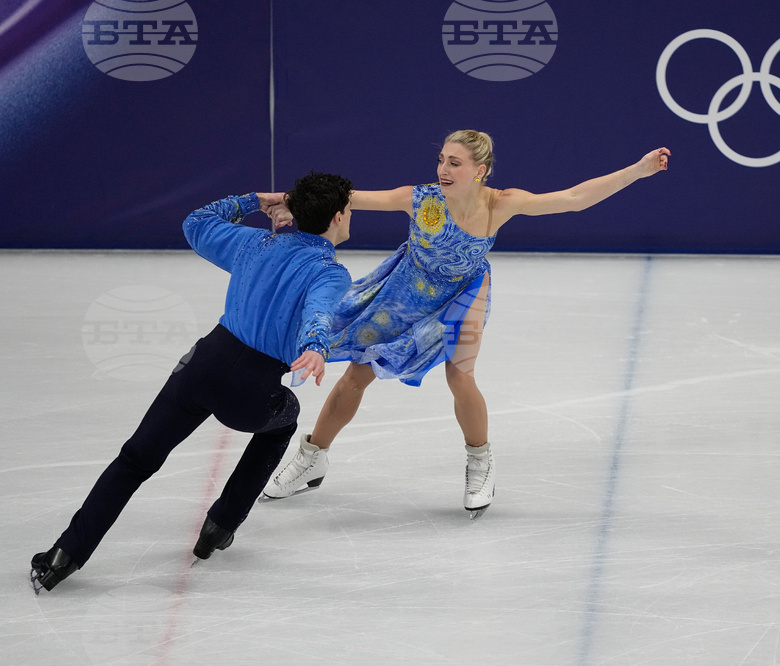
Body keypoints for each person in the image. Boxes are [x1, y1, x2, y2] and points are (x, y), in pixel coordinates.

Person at [260, 130, 671, 518]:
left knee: (460, 376)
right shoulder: (420, 199)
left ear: (480, 170)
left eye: (454, 163)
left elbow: (575, 198)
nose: (443, 169)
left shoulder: (501, 203)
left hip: (464, 295)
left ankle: (480, 462)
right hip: (405, 290)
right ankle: (312, 458)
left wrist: (638, 170)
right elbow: (347, 196)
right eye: (441, 160)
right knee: (356, 373)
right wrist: (283, 200)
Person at [30, 173, 354, 593]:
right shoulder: (330, 272)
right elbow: (320, 312)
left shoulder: (256, 244)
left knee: (135, 459)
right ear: (336, 216)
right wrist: (315, 347)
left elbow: (197, 221)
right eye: (349, 210)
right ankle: (220, 526)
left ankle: (64, 555)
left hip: (202, 366)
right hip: (251, 390)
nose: (350, 216)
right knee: (284, 424)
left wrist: (253, 199)